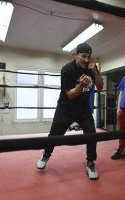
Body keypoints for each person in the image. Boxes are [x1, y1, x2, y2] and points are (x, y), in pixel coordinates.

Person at [36, 43, 103, 180]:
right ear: (75, 55)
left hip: (83, 109)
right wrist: (81, 85)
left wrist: (95, 72)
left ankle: (90, 163)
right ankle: (46, 154)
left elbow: (100, 87)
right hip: (65, 108)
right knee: (55, 134)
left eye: (88, 57)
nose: (86, 59)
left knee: (91, 134)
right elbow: (71, 94)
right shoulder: (67, 69)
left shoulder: (90, 69)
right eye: (83, 56)